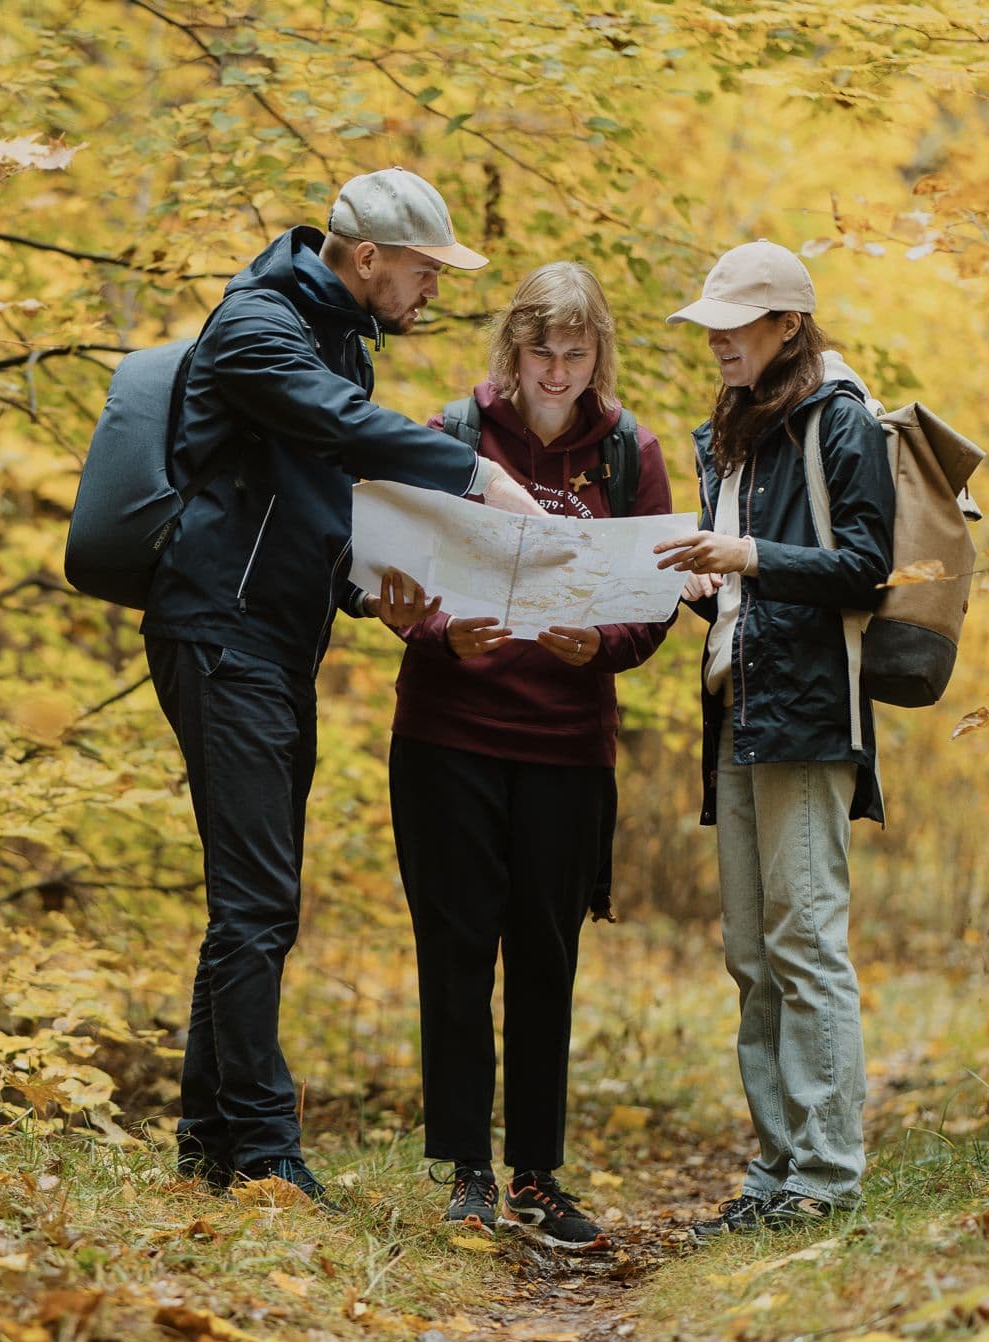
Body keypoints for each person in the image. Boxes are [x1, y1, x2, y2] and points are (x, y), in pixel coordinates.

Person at [142, 168, 544, 1206]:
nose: (431, 292)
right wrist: (473, 471)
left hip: (273, 642)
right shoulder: (257, 328)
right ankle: (267, 1156)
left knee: (250, 900)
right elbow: (340, 429)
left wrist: (373, 597)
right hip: (219, 639)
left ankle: (205, 1140)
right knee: (258, 902)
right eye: (420, 272)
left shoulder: (336, 338)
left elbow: (306, 502)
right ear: (365, 258)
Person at [384, 262, 682, 1250]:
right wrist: (436, 637)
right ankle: (466, 1172)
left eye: (574, 352)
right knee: (456, 949)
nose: (555, 373)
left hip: (565, 747)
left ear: (597, 353)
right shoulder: (451, 438)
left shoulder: (629, 453)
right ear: (510, 350)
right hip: (447, 737)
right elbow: (397, 584)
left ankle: (537, 1177)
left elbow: (652, 608)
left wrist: (598, 646)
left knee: (545, 957)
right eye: (538, 351)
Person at [652, 240, 894, 1237]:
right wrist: (704, 590)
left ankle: (825, 1177)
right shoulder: (731, 436)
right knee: (750, 956)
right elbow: (748, 597)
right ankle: (773, 1172)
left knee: (805, 946)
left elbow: (867, 565)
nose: (714, 338)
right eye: (708, 321)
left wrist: (744, 555)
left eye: (733, 320)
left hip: (806, 713)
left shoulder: (837, 420)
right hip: (738, 710)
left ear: (786, 325)